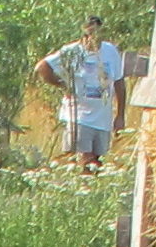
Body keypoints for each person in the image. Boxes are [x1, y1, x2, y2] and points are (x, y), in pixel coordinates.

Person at [37, 15, 128, 170]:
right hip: (79, 116)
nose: (93, 38)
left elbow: (119, 82)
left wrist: (120, 115)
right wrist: (63, 85)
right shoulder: (72, 51)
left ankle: (90, 191)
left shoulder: (110, 51)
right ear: (84, 34)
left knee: (97, 164)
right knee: (84, 161)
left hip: (102, 118)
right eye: (89, 34)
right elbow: (42, 67)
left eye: (97, 34)